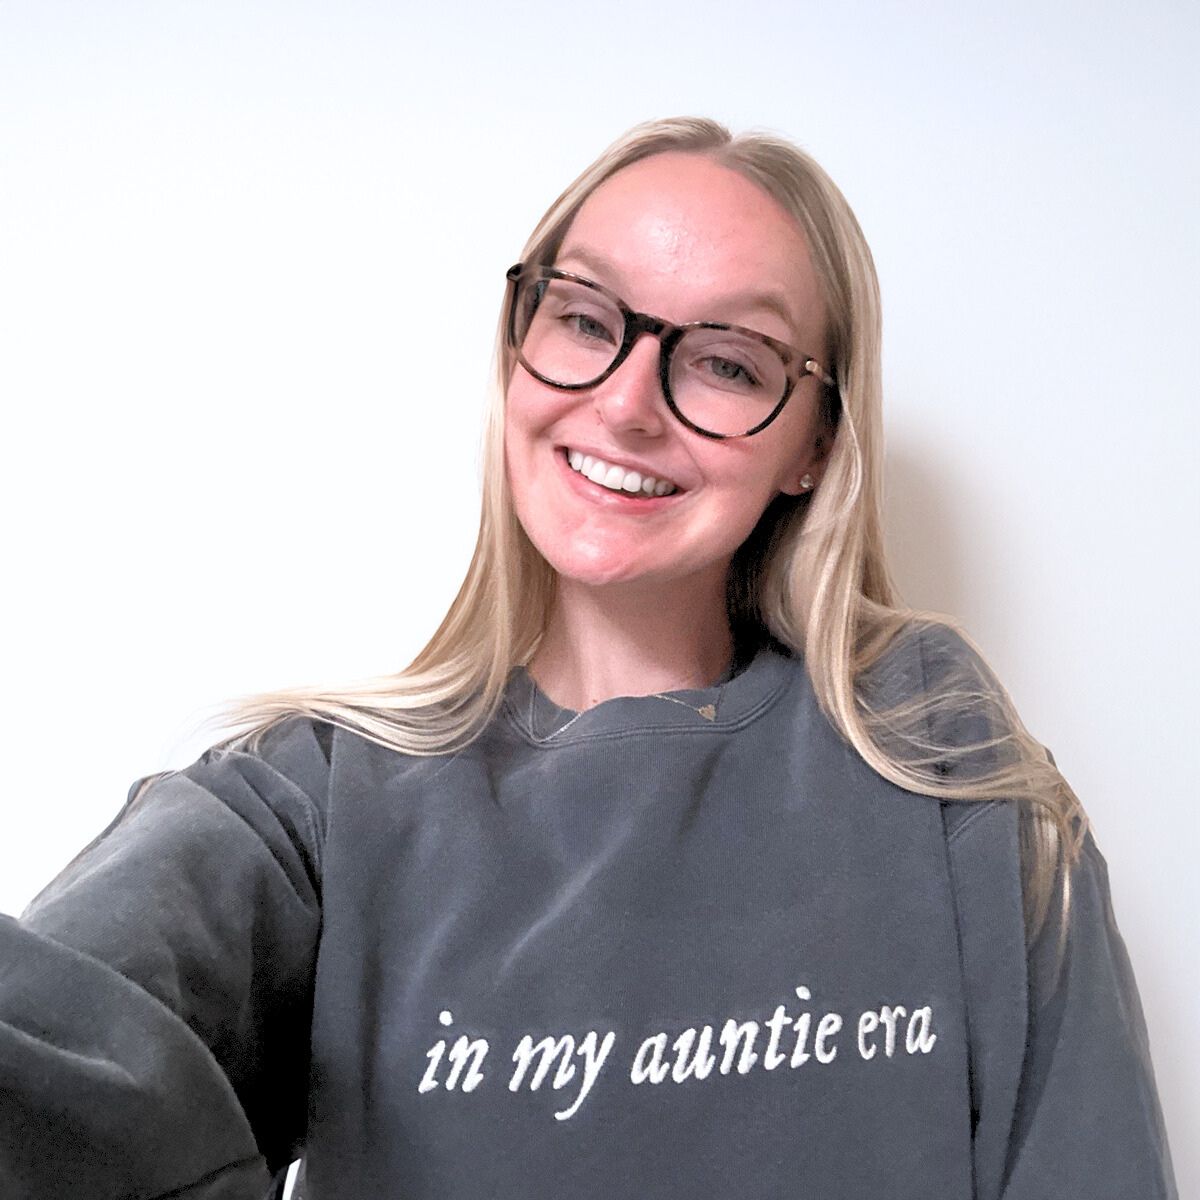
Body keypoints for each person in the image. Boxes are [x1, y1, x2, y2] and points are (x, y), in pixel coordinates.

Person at [0, 117, 1177, 1199]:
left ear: (812, 442)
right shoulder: (314, 800)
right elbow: (43, 1062)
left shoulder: (933, 748)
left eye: (727, 359)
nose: (624, 405)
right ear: (518, 348)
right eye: (583, 318)